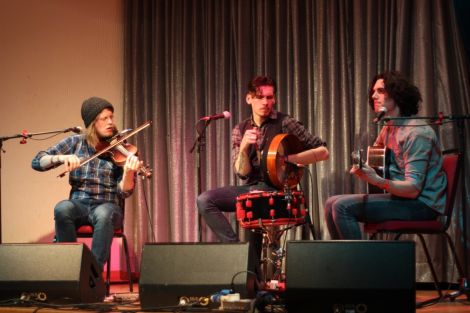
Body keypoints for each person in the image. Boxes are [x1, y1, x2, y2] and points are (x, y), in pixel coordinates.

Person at [197, 75, 329, 243]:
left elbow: (323, 151)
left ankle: (253, 259)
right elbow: (242, 173)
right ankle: (236, 249)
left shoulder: (285, 122)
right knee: (205, 200)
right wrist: (244, 147)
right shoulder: (240, 129)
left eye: (269, 97)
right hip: (251, 190)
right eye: (260, 97)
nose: (265, 102)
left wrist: (287, 159)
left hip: (278, 191)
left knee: (258, 239)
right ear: (249, 98)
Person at [324, 70, 446, 239]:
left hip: (423, 204)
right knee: (330, 203)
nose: (373, 96)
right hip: (403, 198)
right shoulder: (388, 128)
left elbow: (413, 189)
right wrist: (363, 167)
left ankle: (357, 265)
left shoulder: (417, 133)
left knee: (341, 207)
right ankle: (345, 262)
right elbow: (376, 162)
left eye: (380, 91)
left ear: (397, 95)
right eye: (373, 91)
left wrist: (377, 180)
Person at [32, 97, 141, 270]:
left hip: (108, 206)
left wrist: (128, 172)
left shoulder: (121, 148)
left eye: (111, 117)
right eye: (104, 118)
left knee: (104, 214)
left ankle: (93, 274)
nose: (110, 122)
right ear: (92, 122)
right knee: (62, 208)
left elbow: (125, 192)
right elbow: (37, 162)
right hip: (79, 204)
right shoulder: (76, 142)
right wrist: (61, 157)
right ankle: (70, 269)